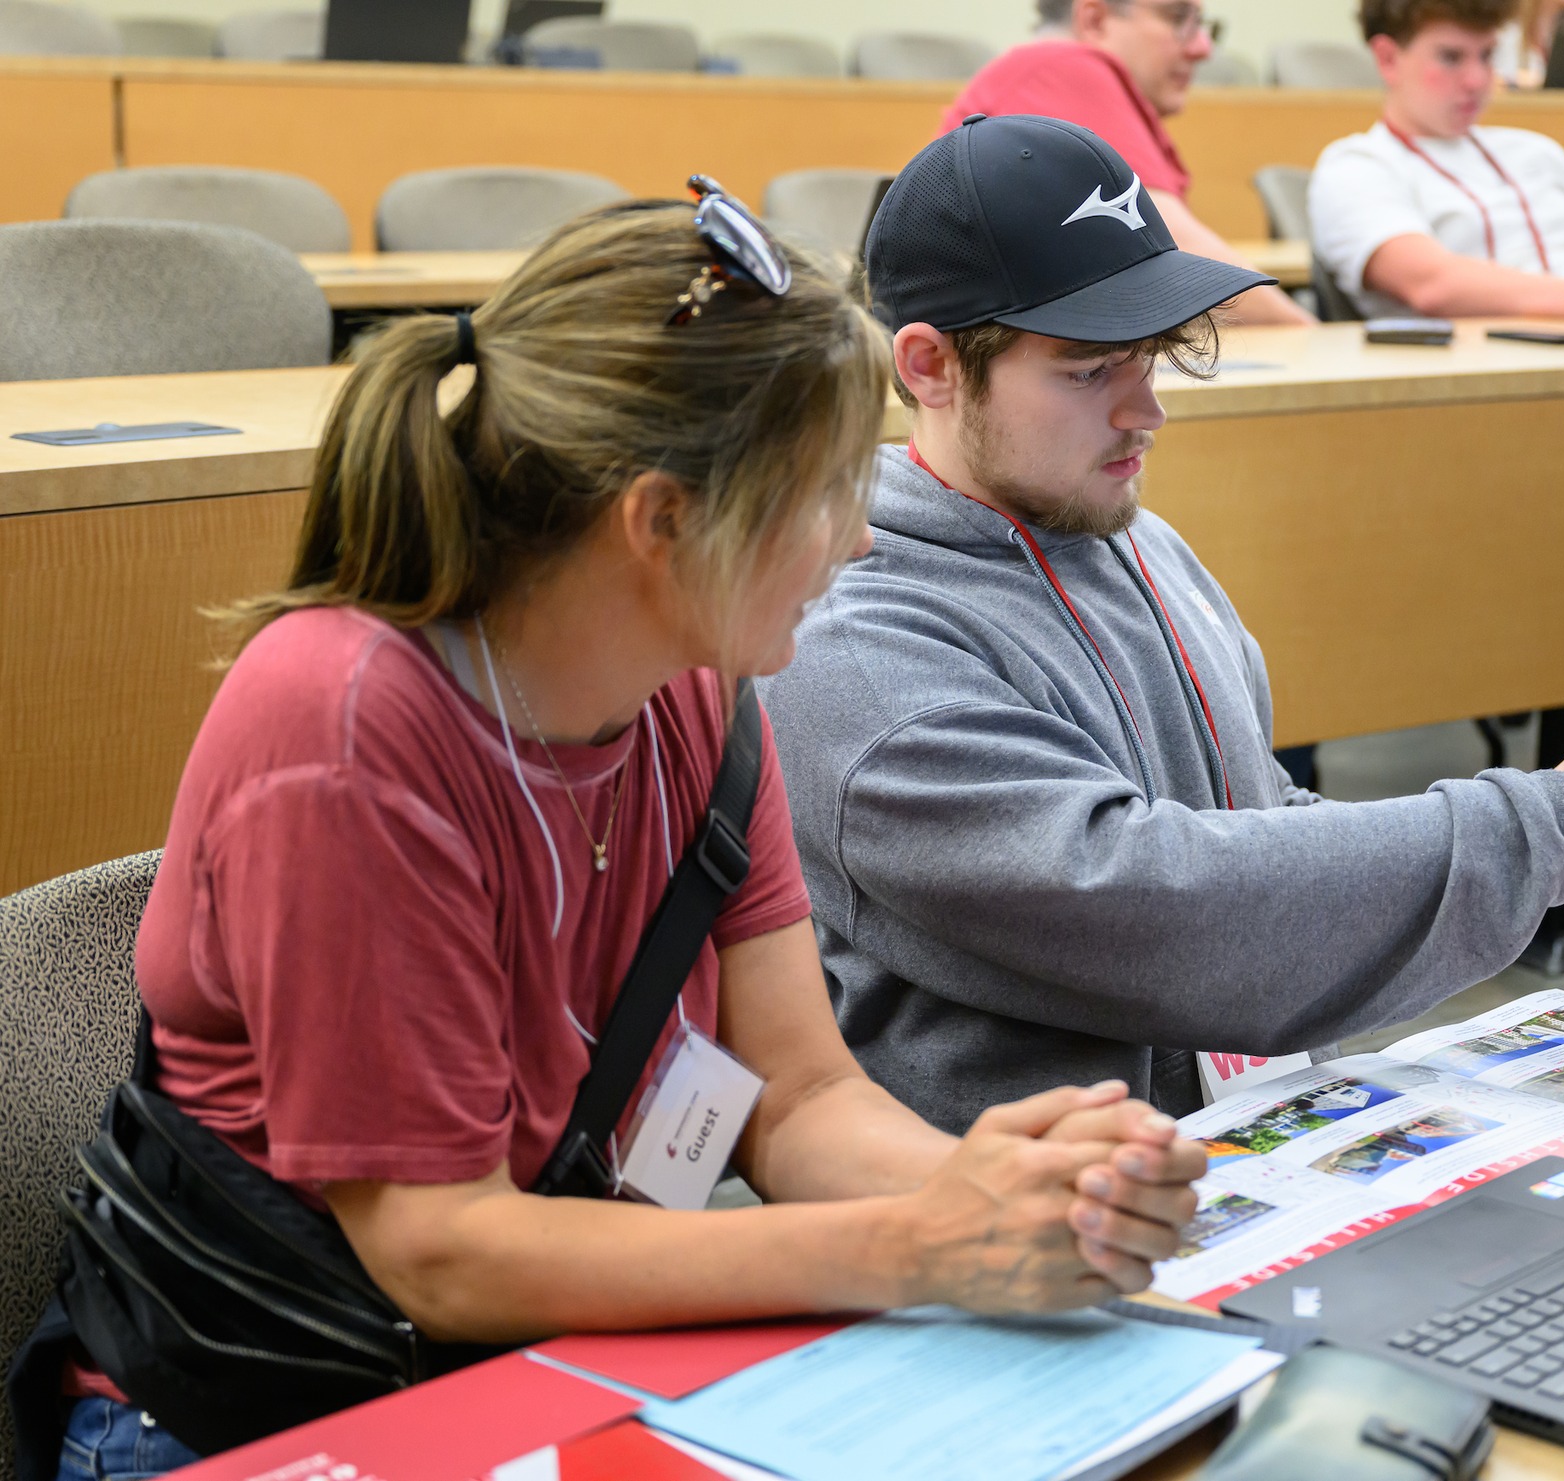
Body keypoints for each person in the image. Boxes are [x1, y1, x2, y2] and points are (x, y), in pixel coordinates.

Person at [30, 191, 1207, 1477]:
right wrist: (920, 1243)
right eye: (819, 494)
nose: (859, 536)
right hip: (267, 1409)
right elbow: (439, 1248)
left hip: (531, 1354)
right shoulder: (344, 722)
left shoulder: (701, 693)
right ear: (659, 522)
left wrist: (992, 1193)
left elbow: (798, 1093)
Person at [758, 113, 1564, 1135]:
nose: (1146, 410)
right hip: (1033, 1229)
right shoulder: (853, 648)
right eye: (1089, 370)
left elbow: (1257, 818)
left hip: (1251, 1150)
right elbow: (1165, 912)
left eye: (1153, 354)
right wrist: (1542, 829)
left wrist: (1559, 820)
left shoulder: (1131, 535)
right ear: (928, 366)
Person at [1309, 0, 1564, 320]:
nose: (1477, 80)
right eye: (1451, 57)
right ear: (1387, 59)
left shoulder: (1539, 154)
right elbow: (1431, 285)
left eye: (1487, 56)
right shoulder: (1355, 166)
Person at [943, 0, 1315, 326]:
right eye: (1178, 16)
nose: (1203, 47)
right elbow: (1171, 249)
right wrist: (1306, 331)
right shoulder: (1064, 64)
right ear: (1095, 20)